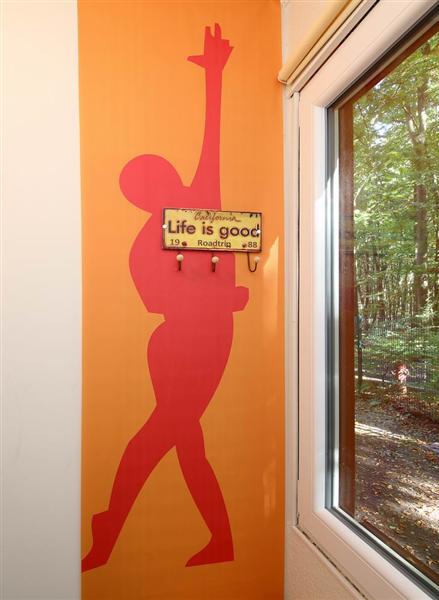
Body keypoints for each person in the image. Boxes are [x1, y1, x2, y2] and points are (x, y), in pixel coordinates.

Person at [82, 24, 247, 572]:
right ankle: (113, 531)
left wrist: (216, 79)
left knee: (181, 440)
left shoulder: (193, 214)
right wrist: (224, 299)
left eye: (162, 170)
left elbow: (211, 146)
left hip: (195, 343)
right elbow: (171, 299)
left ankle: (205, 539)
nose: (172, 175)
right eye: (155, 177)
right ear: (145, 195)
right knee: (165, 439)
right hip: (185, 347)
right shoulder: (160, 234)